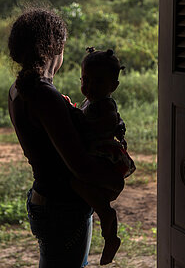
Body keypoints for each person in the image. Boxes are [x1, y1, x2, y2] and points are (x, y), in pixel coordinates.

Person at [7, 8, 124, 267]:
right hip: (62, 208)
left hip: (45, 198)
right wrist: (115, 179)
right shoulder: (43, 94)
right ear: (56, 49)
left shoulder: (19, 89)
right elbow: (80, 166)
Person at [67, 47, 136, 265]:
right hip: (96, 157)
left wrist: (73, 114)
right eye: (85, 80)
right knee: (81, 187)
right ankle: (108, 230)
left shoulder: (106, 106)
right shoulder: (92, 101)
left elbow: (94, 127)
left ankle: (109, 223)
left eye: (98, 82)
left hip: (103, 159)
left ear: (113, 86)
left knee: (77, 183)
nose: (89, 87)